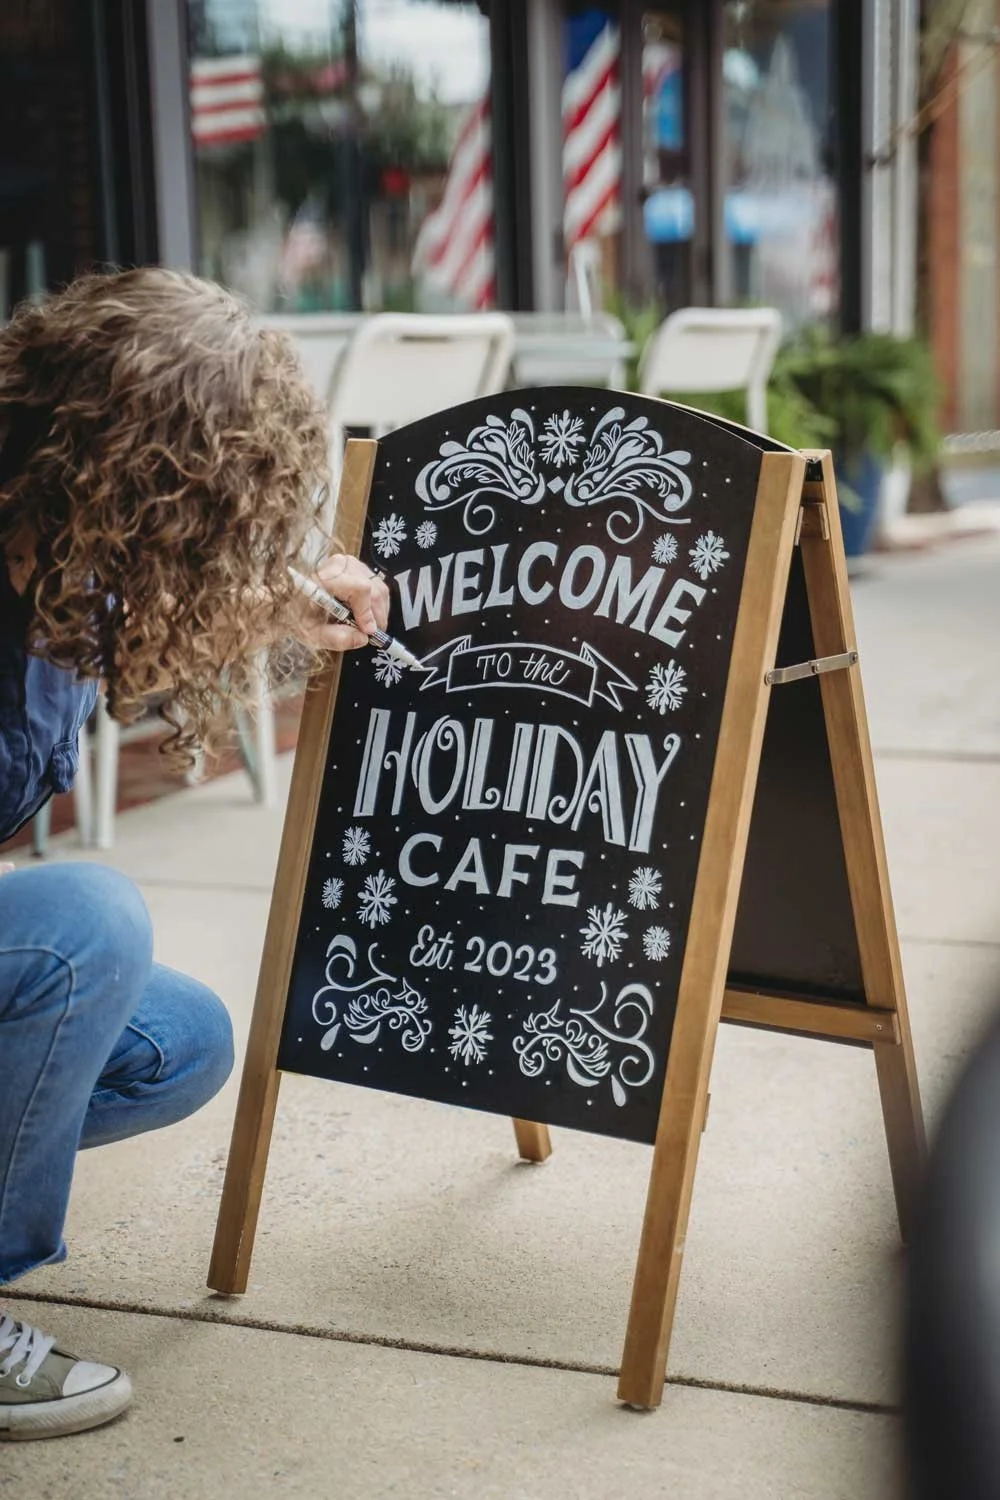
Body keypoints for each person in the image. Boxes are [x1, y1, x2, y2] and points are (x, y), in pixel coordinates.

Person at [0, 268, 390, 1440]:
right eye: (212, 502)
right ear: (127, 480)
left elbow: (128, 617)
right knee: (85, 929)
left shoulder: (61, 567)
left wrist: (278, 602)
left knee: (176, 1046)